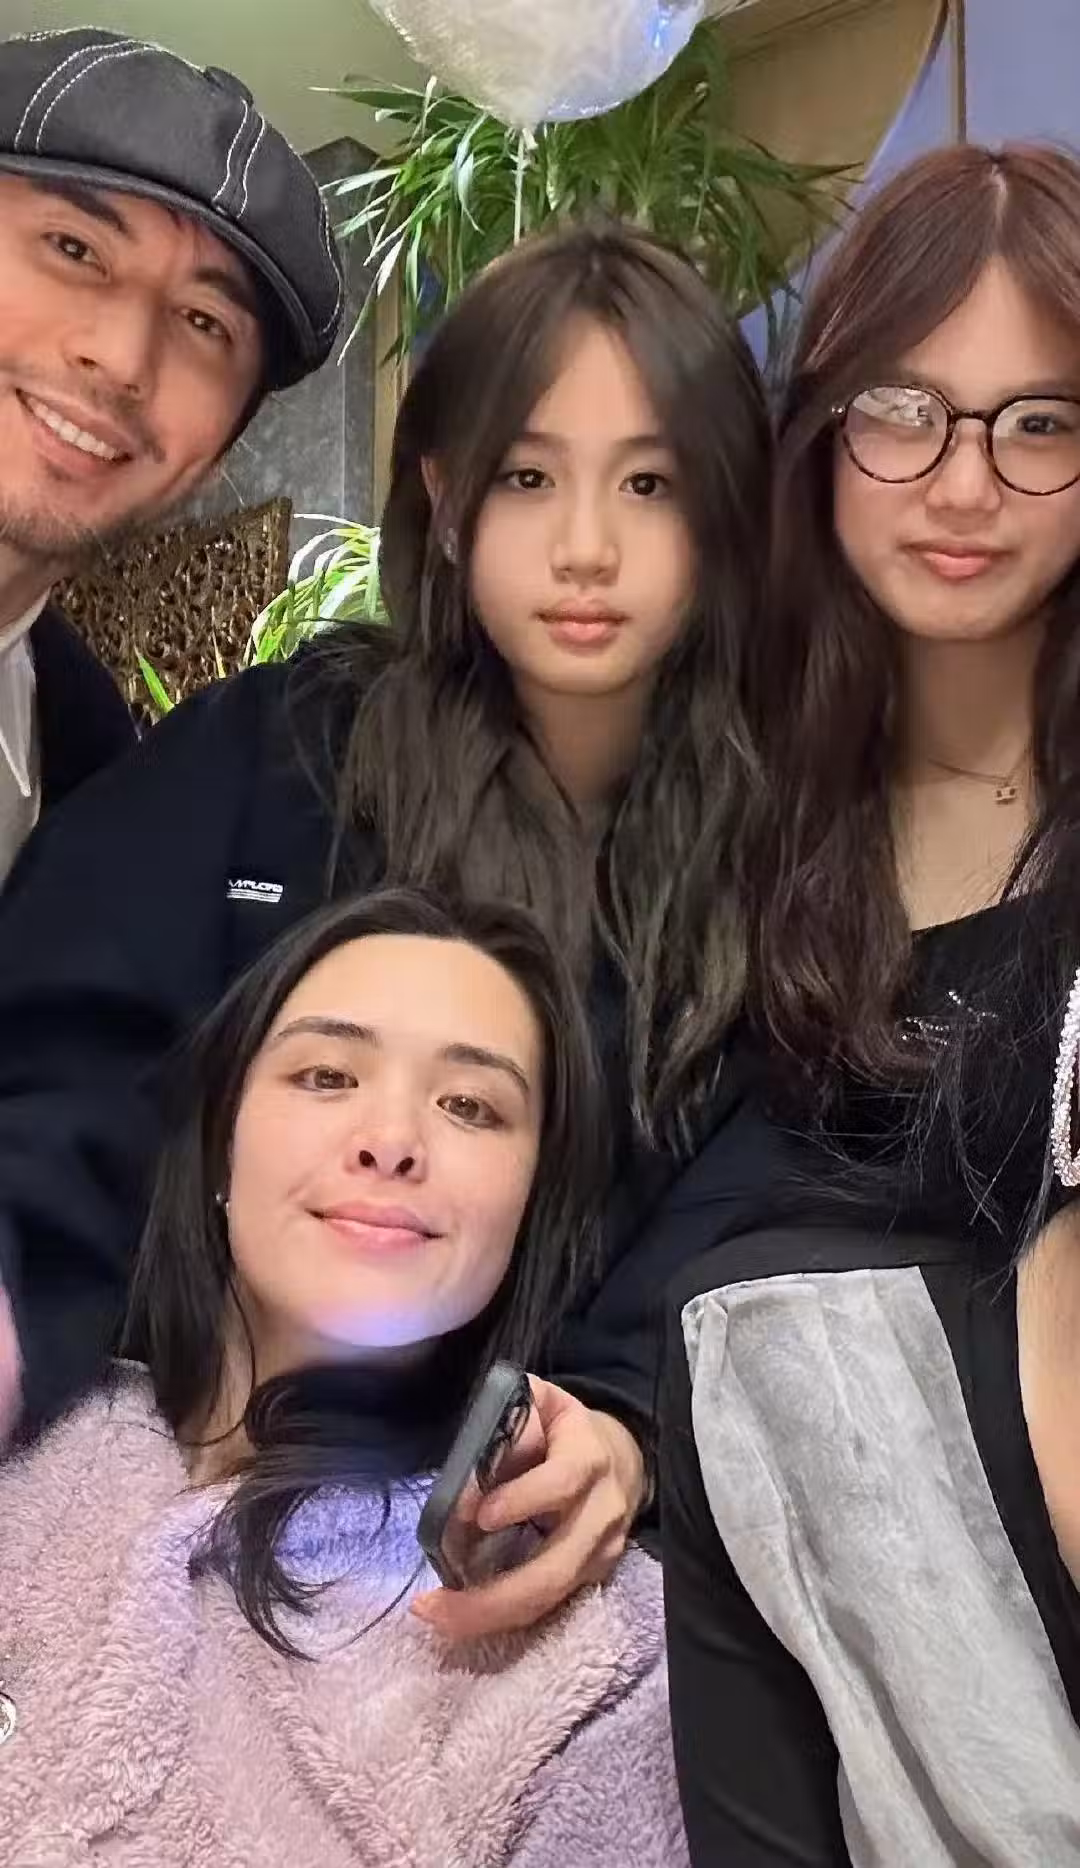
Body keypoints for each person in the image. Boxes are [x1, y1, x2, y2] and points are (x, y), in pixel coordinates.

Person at [0, 214, 771, 1635]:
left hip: (521, 1568)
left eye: (651, 483)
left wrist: (626, 1416)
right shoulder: (275, 755)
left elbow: (763, 1204)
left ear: (726, 515)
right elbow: (65, 1082)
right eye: (528, 476)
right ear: (445, 494)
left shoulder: (778, 858)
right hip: (177, 1495)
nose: (587, 549)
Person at [659, 142, 1080, 1865]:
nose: (963, 484)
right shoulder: (737, 808)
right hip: (794, 1665)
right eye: (904, 411)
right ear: (823, 431)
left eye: (1040, 422)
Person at [0, 885, 688, 1865]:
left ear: (529, 1210)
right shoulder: (30, 1434)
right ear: (223, 1142)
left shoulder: (600, 1657)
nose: (392, 1140)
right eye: (326, 1075)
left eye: (469, 1105)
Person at [0, 26, 343, 881]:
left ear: (221, 448)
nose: (123, 359)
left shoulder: (92, 760)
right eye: (74, 248)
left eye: (204, 322)